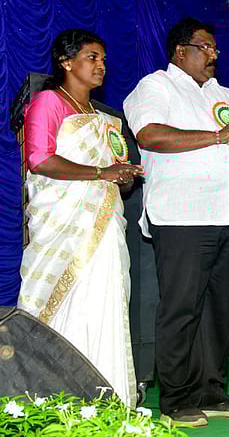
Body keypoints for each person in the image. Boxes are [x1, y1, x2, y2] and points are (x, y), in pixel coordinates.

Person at [123, 17, 229, 426]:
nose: (214, 55)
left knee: (220, 309)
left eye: (215, 48)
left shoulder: (224, 93)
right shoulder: (156, 87)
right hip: (183, 215)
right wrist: (219, 136)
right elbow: (149, 135)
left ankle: (212, 392)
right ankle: (177, 399)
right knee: (181, 309)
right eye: (205, 47)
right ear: (181, 51)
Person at [17, 29, 143, 407]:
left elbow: (108, 176)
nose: (101, 65)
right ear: (66, 61)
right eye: (92, 57)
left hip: (103, 223)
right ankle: (55, 397)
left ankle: (108, 397)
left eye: (103, 59)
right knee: (66, 299)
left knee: (106, 297)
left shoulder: (103, 118)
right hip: (63, 227)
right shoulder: (48, 102)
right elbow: (39, 159)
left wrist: (119, 176)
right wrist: (101, 173)